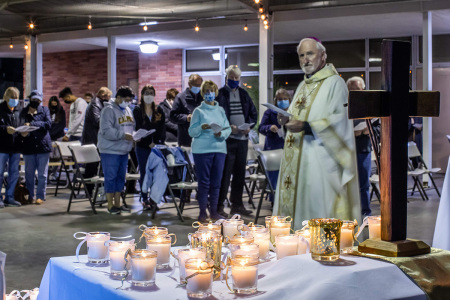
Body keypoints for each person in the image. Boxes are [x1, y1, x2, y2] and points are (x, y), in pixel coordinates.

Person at [275, 38, 360, 229]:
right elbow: (295, 117)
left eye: (310, 54)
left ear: (323, 55)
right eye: (301, 55)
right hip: (297, 162)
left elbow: (341, 121)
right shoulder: (302, 86)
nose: (305, 59)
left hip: (320, 164)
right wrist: (286, 122)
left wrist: (307, 126)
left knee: (317, 215)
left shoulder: (335, 83)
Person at [217, 65, 258, 217]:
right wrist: (229, 127)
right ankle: (219, 206)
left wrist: (250, 126)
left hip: (242, 140)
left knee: (240, 175)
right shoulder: (220, 94)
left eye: (237, 78)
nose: (234, 80)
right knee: (225, 174)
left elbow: (253, 114)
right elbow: (217, 116)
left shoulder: (244, 94)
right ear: (226, 78)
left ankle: (237, 205)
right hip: (227, 140)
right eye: (232, 78)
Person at [189, 80, 231, 222]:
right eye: (206, 91)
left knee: (216, 182)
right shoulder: (198, 111)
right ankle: (202, 213)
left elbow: (228, 128)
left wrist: (222, 134)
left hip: (219, 148)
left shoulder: (220, 110)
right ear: (202, 93)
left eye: (211, 91)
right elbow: (191, 132)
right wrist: (202, 127)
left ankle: (213, 212)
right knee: (204, 182)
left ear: (215, 92)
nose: (209, 94)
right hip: (202, 150)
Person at [97, 86, 135, 214]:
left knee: (120, 178)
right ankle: (109, 204)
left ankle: (118, 203)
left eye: (130, 100)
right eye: (126, 99)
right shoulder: (108, 110)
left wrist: (135, 136)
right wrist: (123, 135)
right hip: (110, 150)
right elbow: (106, 131)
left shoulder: (128, 110)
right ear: (118, 98)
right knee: (111, 177)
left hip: (124, 150)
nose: (128, 102)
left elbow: (130, 127)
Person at [347, 76, 379, 217]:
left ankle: (365, 213)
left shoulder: (369, 106)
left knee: (363, 184)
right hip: (346, 151)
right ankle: (347, 213)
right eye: (352, 90)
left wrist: (368, 130)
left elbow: (379, 128)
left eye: (358, 90)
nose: (355, 92)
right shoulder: (342, 106)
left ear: (363, 89)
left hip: (363, 149)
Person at [133, 84, 166, 210]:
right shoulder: (137, 110)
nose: (149, 95)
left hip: (156, 147)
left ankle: (154, 199)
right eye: (146, 93)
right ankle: (144, 198)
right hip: (142, 146)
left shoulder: (159, 110)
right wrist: (147, 143)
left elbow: (162, 129)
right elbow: (139, 129)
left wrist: (158, 142)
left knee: (156, 174)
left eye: (151, 93)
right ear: (142, 95)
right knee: (145, 173)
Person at [18, 90, 52, 205]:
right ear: (30, 99)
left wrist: (32, 124)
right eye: (34, 100)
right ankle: (30, 196)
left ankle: (40, 196)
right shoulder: (23, 112)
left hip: (43, 146)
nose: (36, 102)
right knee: (29, 174)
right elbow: (21, 125)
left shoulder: (45, 110)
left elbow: (48, 124)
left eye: (38, 100)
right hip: (28, 147)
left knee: (42, 174)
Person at [258, 88, 292, 203]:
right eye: (279, 99)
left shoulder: (293, 113)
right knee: (274, 178)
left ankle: (288, 201)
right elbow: (261, 128)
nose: (282, 101)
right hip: (273, 149)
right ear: (275, 101)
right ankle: (274, 202)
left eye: (285, 99)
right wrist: (270, 128)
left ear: (289, 100)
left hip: (289, 149)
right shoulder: (269, 112)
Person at [81, 87, 112, 196]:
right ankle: (89, 192)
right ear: (104, 95)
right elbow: (97, 121)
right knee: (91, 167)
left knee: (94, 167)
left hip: (96, 140)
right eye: (109, 96)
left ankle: (93, 192)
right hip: (92, 141)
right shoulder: (95, 104)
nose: (109, 99)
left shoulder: (99, 103)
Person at [0, 87, 23, 207]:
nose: (14, 100)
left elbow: (22, 124)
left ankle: (9, 197)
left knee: (14, 173)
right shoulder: (1, 109)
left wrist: (25, 130)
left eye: (16, 98)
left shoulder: (19, 110)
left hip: (15, 147)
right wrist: (5, 129)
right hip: (2, 147)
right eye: (12, 97)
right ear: (6, 97)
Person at [170, 74, 203, 147]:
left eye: (199, 85)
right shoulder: (180, 97)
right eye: (195, 85)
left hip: (201, 139)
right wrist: (186, 118)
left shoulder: (203, 97)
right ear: (189, 84)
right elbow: (173, 116)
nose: (197, 87)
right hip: (186, 140)